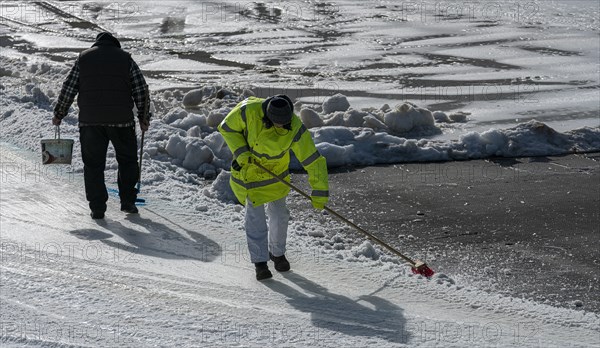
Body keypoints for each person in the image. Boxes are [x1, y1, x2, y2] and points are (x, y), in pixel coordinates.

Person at [218, 95, 329, 280]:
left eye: (283, 124)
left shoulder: (294, 126)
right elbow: (227, 128)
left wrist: (320, 192)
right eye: (276, 123)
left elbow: (312, 159)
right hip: (251, 172)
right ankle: (260, 262)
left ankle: (277, 254)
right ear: (268, 117)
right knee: (256, 218)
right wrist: (241, 152)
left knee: (280, 215)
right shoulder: (248, 111)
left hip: (277, 176)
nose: (280, 126)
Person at [52, 32, 150, 220]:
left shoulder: (84, 58)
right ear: (115, 45)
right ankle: (128, 201)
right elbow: (140, 89)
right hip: (122, 121)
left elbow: (68, 88)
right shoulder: (125, 58)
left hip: (90, 122)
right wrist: (143, 117)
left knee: (93, 165)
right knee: (128, 160)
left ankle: (97, 208)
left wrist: (59, 114)